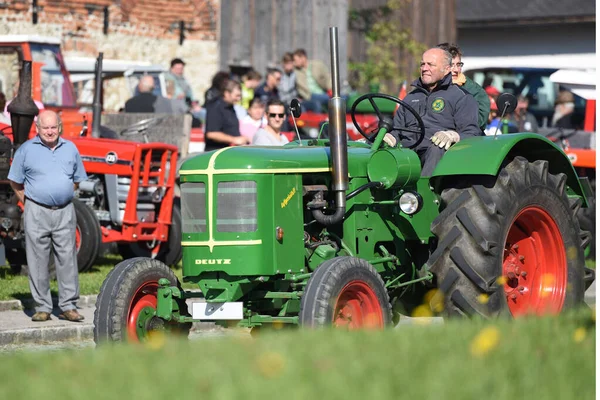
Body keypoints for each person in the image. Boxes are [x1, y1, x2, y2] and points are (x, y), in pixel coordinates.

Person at [8, 110, 87, 322]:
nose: (50, 131)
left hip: (64, 211)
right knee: (37, 259)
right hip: (36, 211)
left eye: (53, 127)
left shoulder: (70, 149)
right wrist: (29, 201)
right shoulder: (26, 150)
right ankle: (42, 307)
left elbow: (77, 178)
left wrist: (62, 192)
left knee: (67, 259)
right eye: (46, 127)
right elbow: (15, 182)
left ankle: (68, 306)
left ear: (59, 127)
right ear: (38, 128)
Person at [385, 48, 480, 176]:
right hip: (407, 154)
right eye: (422, 64)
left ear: (446, 69)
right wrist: (390, 137)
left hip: (438, 155)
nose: (424, 68)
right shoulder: (410, 97)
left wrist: (453, 136)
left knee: (437, 147)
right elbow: (397, 129)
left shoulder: (461, 97)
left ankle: (427, 191)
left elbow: (472, 133)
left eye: (431, 64)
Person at [436, 43, 490, 131]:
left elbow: (479, 122)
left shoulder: (474, 91)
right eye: (452, 65)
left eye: (458, 64)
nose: (456, 70)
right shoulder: (429, 87)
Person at [204, 79, 250, 151]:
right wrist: (234, 139)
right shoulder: (215, 107)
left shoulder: (231, 107)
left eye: (240, 96)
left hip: (230, 151)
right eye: (237, 96)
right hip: (216, 152)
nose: (239, 99)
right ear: (227, 93)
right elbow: (211, 133)